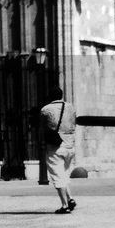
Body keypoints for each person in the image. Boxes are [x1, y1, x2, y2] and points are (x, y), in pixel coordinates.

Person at [40, 83, 77, 214]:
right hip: (70, 145)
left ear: (49, 96)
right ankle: (70, 198)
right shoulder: (71, 107)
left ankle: (65, 205)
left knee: (57, 176)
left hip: (55, 146)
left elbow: (44, 126)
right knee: (64, 175)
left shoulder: (45, 109)